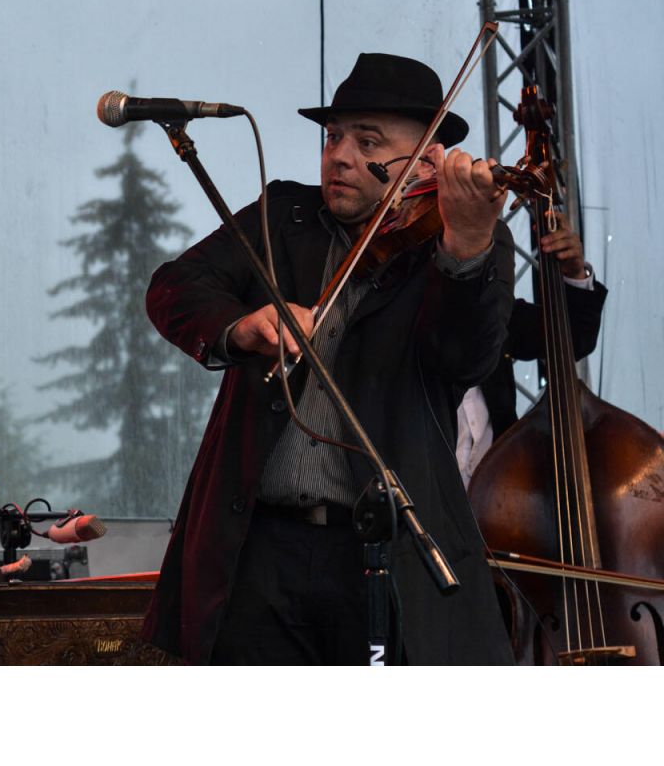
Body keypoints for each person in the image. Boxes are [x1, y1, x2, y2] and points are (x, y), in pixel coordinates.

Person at [143, 52, 516, 665]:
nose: (338, 156)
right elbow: (174, 287)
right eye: (333, 137)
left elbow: (465, 357)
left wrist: (466, 246)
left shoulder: (463, 237)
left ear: (425, 162)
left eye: (367, 142)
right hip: (258, 549)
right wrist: (240, 326)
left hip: (382, 553)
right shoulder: (285, 215)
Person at [456, 213, 607, 486]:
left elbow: (574, 337)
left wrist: (574, 273)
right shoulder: (402, 315)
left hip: (498, 495)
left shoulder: (497, 312)